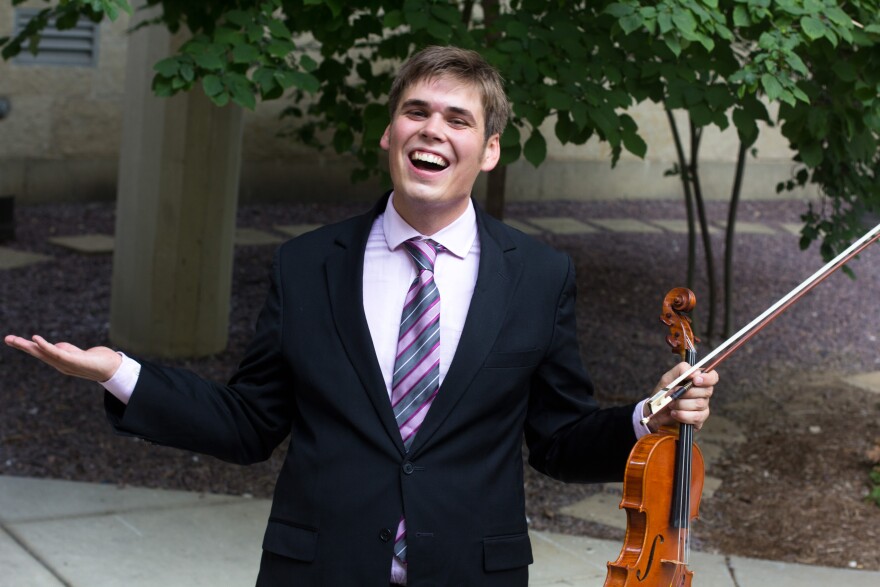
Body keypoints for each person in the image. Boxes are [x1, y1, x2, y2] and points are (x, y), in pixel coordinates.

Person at [4, 46, 716, 586]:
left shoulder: (539, 275)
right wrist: (123, 373)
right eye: (416, 111)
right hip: (316, 569)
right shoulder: (307, 264)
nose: (432, 129)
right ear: (389, 133)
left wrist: (647, 415)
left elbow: (558, 438)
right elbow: (251, 422)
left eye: (458, 118)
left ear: (490, 150)